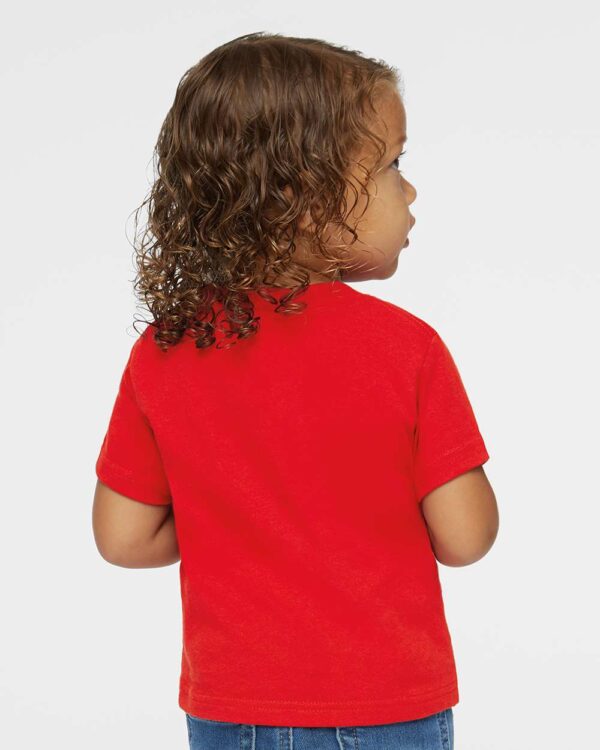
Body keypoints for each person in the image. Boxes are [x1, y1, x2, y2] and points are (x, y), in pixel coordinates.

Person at [92, 32, 498, 750]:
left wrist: (245, 522)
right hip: (384, 705)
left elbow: (124, 538)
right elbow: (465, 538)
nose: (409, 190)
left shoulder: (166, 350)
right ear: (303, 197)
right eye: (393, 164)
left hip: (231, 710)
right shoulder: (407, 349)